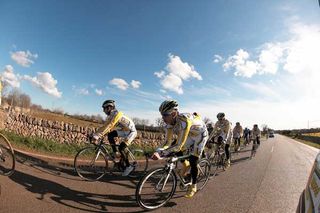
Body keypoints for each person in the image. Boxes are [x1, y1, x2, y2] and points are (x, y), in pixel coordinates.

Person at [152, 100, 208, 198]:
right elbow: (167, 142)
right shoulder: (169, 124)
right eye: (162, 115)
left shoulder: (184, 121)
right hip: (190, 135)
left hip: (200, 135)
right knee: (174, 147)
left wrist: (161, 154)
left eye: (165, 115)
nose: (163, 118)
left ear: (173, 114)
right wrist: (157, 151)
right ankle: (185, 165)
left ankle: (193, 186)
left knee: (193, 159)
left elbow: (179, 145)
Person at [92, 100, 137, 176]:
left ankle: (129, 166)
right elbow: (105, 126)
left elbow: (110, 125)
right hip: (124, 131)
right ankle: (116, 154)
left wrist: (97, 136)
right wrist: (95, 134)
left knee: (121, 148)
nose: (103, 111)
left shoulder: (117, 114)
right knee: (110, 135)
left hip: (131, 132)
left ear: (109, 107)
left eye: (104, 108)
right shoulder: (110, 116)